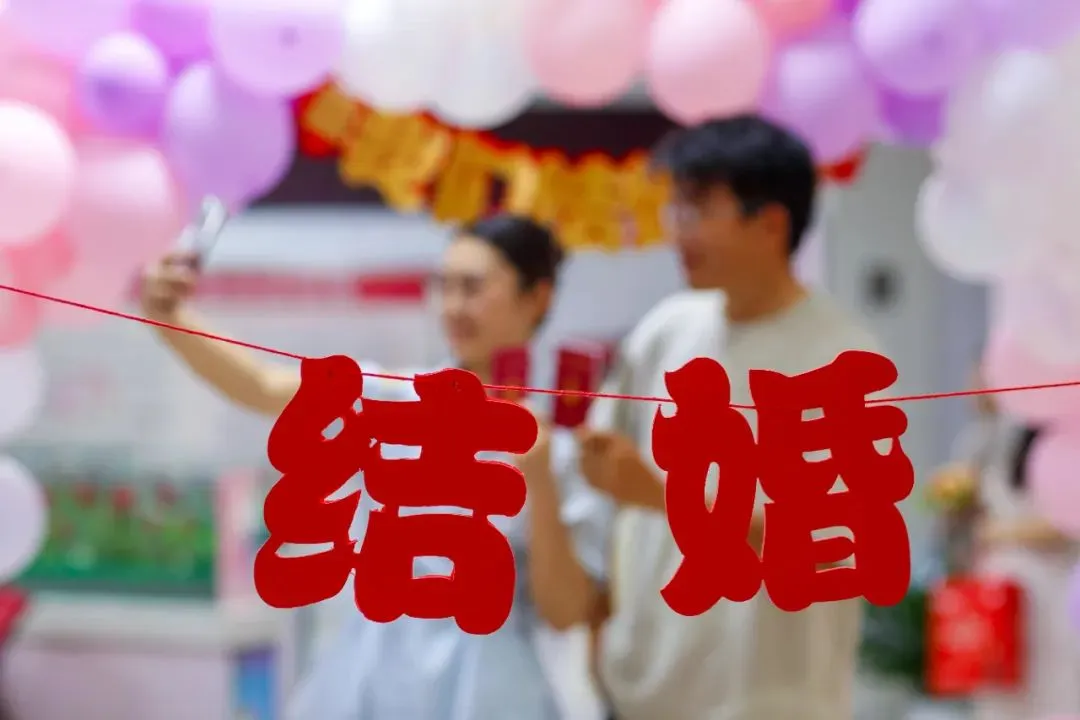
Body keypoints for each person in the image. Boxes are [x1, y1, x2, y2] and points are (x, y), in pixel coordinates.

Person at [139, 214, 613, 720]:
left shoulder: (568, 444)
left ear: (536, 297)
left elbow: (565, 611)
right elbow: (261, 386)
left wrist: (540, 477)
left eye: (473, 287)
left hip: (489, 690)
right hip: (376, 676)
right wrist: (170, 317)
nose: (453, 306)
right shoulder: (396, 398)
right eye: (445, 286)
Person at [576, 115, 881, 720]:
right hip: (645, 690)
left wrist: (669, 497)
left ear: (770, 224)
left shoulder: (847, 361)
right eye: (676, 209)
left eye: (698, 210)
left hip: (773, 699)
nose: (677, 231)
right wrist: (600, 628)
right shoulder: (666, 329)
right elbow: (607, 482)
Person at [929, 370, 1080, 719]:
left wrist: (998, 532)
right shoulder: (983, 439)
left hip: (1048, 582)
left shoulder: (1061, 439)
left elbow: (1066, 523)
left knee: (1051, 685)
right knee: (994, 690)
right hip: (992, 584)